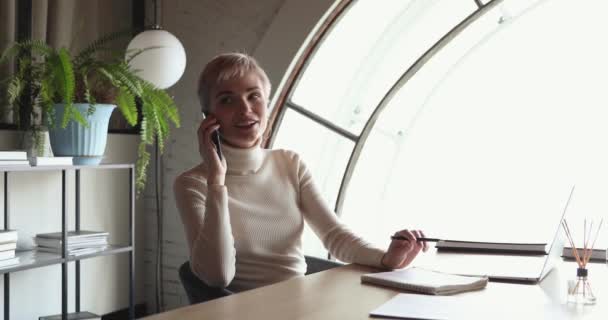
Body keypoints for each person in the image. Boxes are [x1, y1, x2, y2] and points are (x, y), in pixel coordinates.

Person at [174, 52, 428, 297]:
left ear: (267, 104)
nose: (245, 109)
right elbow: (218, 276)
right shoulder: (193, 184)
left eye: (254, 96)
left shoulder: (289, 163)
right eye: (227, 100)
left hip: (302, 304)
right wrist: (217, 180)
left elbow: (334, 236)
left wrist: (386, 258)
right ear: (209, 118)